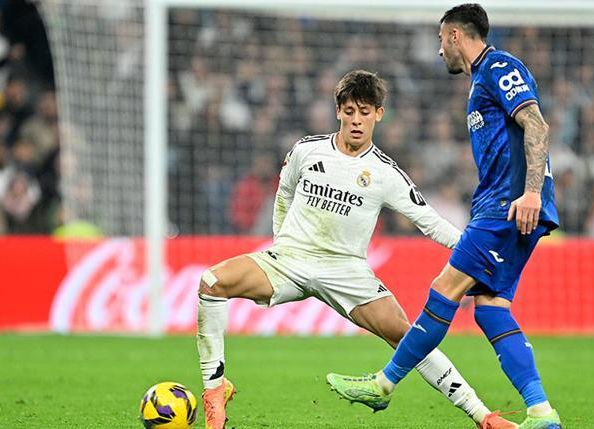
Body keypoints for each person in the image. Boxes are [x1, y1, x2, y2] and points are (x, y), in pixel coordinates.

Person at [196, 70, 495, 429]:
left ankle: (482, 415)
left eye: (365, 112)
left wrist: (474, 251)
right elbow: (284, 191)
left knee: (408, 336)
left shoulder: (386, 174)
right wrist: (281, 241)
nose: (357, 120)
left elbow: (429, 221)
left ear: (379, 114)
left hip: (347, 272)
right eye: (350, 110)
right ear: (338, 110)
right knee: (211, 282)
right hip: (290, 261)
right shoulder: (307, 150)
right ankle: (215, 391)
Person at [326, 4, 561, 429]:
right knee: (490, 308)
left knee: (443, 290)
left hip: (506, 207)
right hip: (506, 206)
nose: (439, 52)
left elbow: (537, 126)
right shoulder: (480, 82)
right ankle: (541, 413)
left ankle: (383, 385)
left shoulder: (498, 66)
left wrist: (529, 194)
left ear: (455, 36)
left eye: (440, 41)